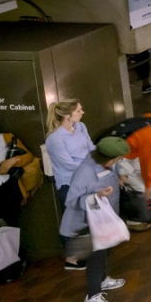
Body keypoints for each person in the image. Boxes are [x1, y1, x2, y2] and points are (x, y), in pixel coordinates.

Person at [60, 137, 131, 302]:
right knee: (96, 258)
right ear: (109, 157)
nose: (118, 161)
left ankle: (103, 279)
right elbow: (72, 201)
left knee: (106, 250)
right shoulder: (85, 172)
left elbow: (112, 170)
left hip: (105, 217)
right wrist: (97, 196)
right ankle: (92, 296)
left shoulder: (105, 163)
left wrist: (119, 175)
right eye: (117, 159)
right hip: (88, 222)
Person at [45, 100, 96, 269]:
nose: (83, 112)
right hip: (69, 184)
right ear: (67, 115)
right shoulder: (54, 139)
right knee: (73, 221)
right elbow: (67, 163)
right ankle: (72, 259)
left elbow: (90, 148)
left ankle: (88, 253)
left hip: (87, 181)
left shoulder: (81, 127)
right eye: (79, 110)